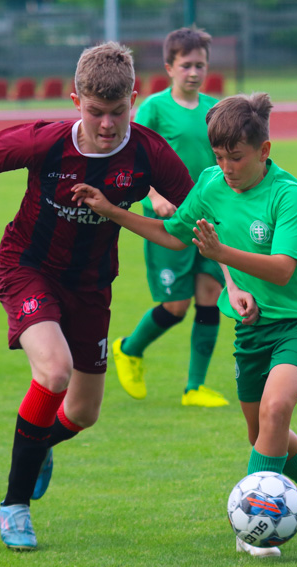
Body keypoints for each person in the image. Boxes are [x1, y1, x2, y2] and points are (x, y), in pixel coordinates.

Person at [0, 42, 195, 552]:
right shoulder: (44, 142)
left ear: (134, 100)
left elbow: (198, 218)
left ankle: (38, 443)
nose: (108, 124)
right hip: (28, 268)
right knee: (53, 370)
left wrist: (231, 279)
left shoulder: (149, 153)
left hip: (91, 285)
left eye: (119, 112)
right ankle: (14, 507)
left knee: (85, 411)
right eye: (96, 112)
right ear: (76, 101)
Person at [72, 93, 297, 558]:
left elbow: (282, 268)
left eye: (236, 157)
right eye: (219, 157)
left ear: (263, 151)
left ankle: (254, 528)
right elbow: (171, 235)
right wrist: (113, 212)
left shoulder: (287, 193)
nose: (226, 167)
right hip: (254, 328)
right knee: (259, 431)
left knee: (276, 410)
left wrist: (222, 257)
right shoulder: (210, 184)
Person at [112, 26, 229, 407]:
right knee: (176, 307)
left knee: (209, 295)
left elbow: (222, 164)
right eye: (187, 65)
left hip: (209, 219)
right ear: (169, 67)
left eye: (201, 65)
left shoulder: (215, 109)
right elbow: (132, 160)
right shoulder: (154, 109)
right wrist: (153, 195)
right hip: (170, 222)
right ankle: (129, 348)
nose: (194, 72)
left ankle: (194, 387)